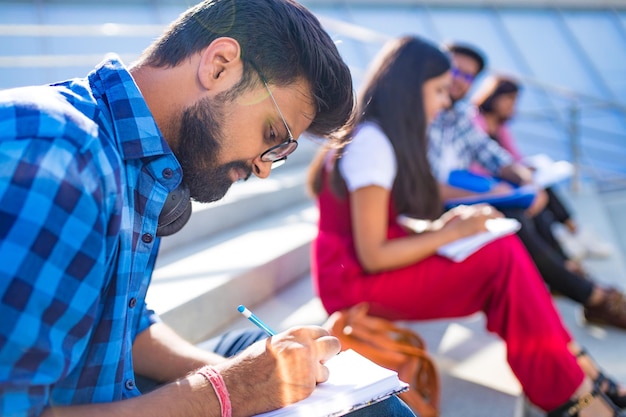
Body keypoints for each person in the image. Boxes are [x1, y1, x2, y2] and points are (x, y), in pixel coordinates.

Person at [0, 1, 416, 416]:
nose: (264, 167)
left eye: (282, 152)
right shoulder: (62, 163)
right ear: (219, 66)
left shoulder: (136, 153)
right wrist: (224, 391)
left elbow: (127, 328)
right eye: (272, 134)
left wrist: (257, 380)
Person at [307, 35, 626, 416]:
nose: (445, 101)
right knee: (501, 256)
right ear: (411, 89)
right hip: (352, 286)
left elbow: (382, 232)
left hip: (361, 271)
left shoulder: (379, 137)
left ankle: (571, 374)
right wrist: (450, 232)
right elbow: (373, 254)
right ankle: (571, 390)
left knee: (502, 248)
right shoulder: (372, 144)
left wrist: (447, 225)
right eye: (439, 90)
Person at [427, 42, 626, 331]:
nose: (459, 80)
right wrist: (494, 192)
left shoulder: (458, 117)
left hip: (467, 197)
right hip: (441, 209)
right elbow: (429, 189)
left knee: (534, 203)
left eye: (468, 76)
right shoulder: (426, 114)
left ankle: (574, 279)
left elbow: (497, 157)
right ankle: (589, 294)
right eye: (455, 70)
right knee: (516, 220)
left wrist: (526, 183)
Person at [470, 74, 613, 261]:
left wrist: (525, 169)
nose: (512, 105)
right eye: (509, 99)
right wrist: (515, 174)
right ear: (493, 96)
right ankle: (569, 245)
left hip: (505, 180)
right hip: (488, 185)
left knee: (542, 190)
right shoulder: (473, 123)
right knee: (535, 202)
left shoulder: (500, 127)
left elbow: (513, 157)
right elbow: (477, 166)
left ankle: (569, 244)